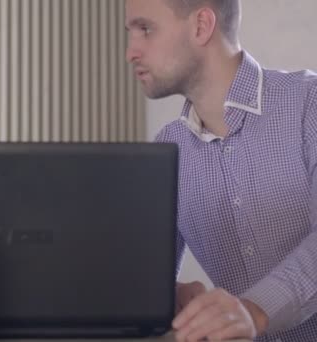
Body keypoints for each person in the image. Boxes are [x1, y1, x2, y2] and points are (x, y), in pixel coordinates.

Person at [125, 0, 317, 341]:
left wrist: (255, 309)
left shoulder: (309, 104)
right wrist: (169, 297)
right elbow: (146, 277)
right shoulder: (166, 150)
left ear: (201, 26)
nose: (131, 52)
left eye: (146, 30)